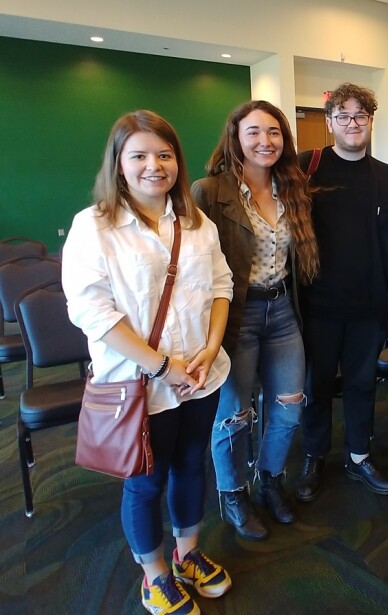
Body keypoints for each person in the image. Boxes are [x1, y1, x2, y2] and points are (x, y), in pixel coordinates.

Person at [63, 110, 233, 615]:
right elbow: (90, 311)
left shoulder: (196, 223)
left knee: (190, 466)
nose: (153, 166)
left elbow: (222, 287)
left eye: (164, 154)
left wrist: (208, 348)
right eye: (138, 155)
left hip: (201, 375)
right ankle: (154, 573)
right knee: (145, 481)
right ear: (118, 164)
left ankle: (188, 554)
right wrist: (162, 367)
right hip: (142, 383)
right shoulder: (94, 227)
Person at [192, 100, 319, 541]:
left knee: (289, 405)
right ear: (235, 138)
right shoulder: (208, 191)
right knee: (234, 414)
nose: (265, 141)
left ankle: (270, 479)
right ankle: (233, 493)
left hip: (283, 311)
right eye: (254, 132)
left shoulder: (292, 186)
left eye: (274, 133)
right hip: (236, 316)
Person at [295, 82, 388, 501]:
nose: (353, 124)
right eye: (344, 116)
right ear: (330, 121)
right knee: (316, 384)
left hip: (367, 307)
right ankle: (315, 454)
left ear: (371, 121)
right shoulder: (307, 167)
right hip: (317, 305)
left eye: (361, 116)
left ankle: (358, 456)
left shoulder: (386, 177)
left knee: (361, 384)